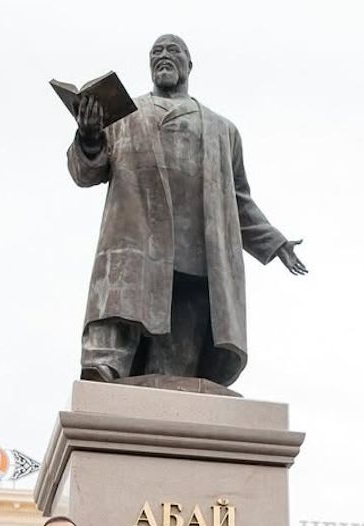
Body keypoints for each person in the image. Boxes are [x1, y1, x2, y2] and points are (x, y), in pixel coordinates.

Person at [68, 33, 308, 386]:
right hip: (136, 246)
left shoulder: (221, 130)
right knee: (116, 321)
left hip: (198, 260)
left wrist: (274, 242)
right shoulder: (121, 117)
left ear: (189, 64)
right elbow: (87, 172)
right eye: (156, 52)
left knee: (175, 377)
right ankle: (104, 368)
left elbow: (238, 199)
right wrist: (89, 136)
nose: (163, 56)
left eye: (173, 50)